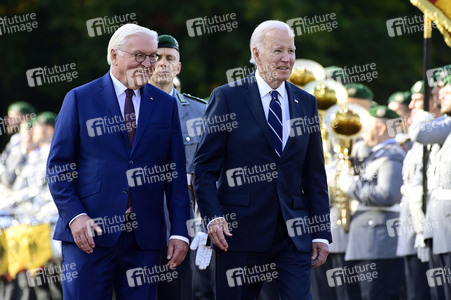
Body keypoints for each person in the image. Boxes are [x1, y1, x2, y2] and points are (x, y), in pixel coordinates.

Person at [47, 24, 191, 300]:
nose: (149, 64)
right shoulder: (79, 98)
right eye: (140, 55)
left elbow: (175, 174)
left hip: (145, 238)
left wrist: (181, 232)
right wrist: (76, 217)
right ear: (114, 55)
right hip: (88, 235)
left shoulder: (164, 104)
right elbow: (59, 167)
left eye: (153, 56)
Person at [193, 20, 331, 299]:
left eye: (291, 51)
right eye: (278, 50)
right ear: (256, 54)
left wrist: (320, 232)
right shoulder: (227, 98)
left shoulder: (305, 102)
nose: (287, 58)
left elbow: (314, 174)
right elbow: (204, 168)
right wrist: (213, 217)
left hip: (294, 233)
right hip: (238, 233)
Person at [149, 34, 209, 300]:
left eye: (169, 58)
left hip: (182, 221)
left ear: (178, 67)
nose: (163, 63)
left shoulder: (201, 112)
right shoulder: (129, 108)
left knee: (181, 292)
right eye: (157, 57)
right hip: (138, 218)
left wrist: (208, 222)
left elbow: (210, 173)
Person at [342, 105, 405, 299]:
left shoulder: (392, 156)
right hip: (364, 242)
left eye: (366, 126)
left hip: (379, 243)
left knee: (378, 293)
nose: (361, 132)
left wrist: (349, 186)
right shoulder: (373, 155)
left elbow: (387, 195)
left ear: (380, 128)